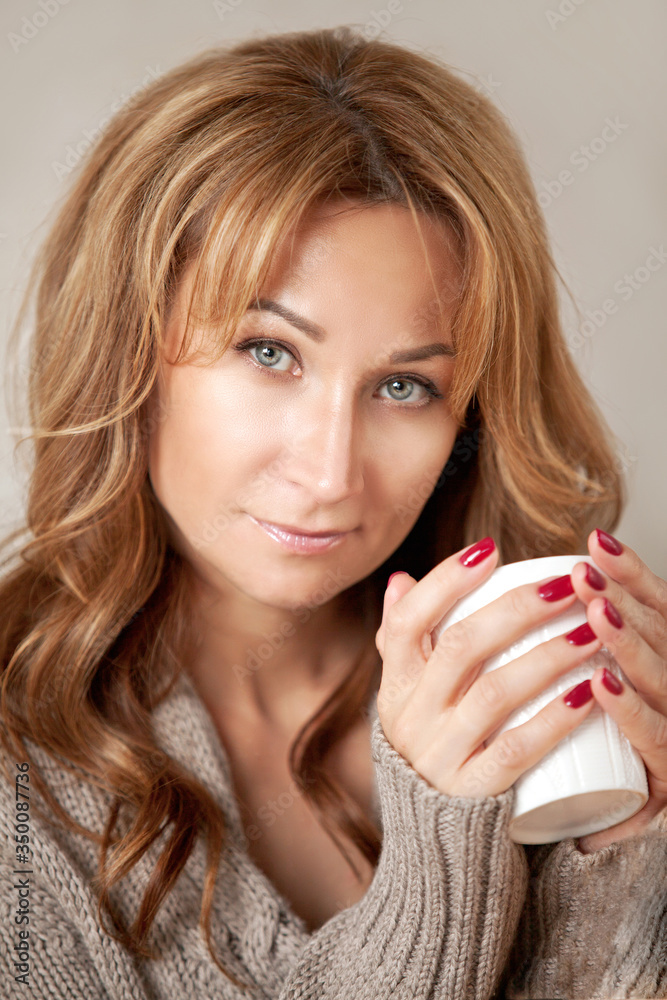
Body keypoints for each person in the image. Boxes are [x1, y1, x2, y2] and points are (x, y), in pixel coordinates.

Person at [0, 23, 665, 1000]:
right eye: (268, 353)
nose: (328, 470)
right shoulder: (23, 782)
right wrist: (435, 870)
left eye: (403, 387)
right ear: (128, 351)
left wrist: (625, 858)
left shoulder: (550, 711)